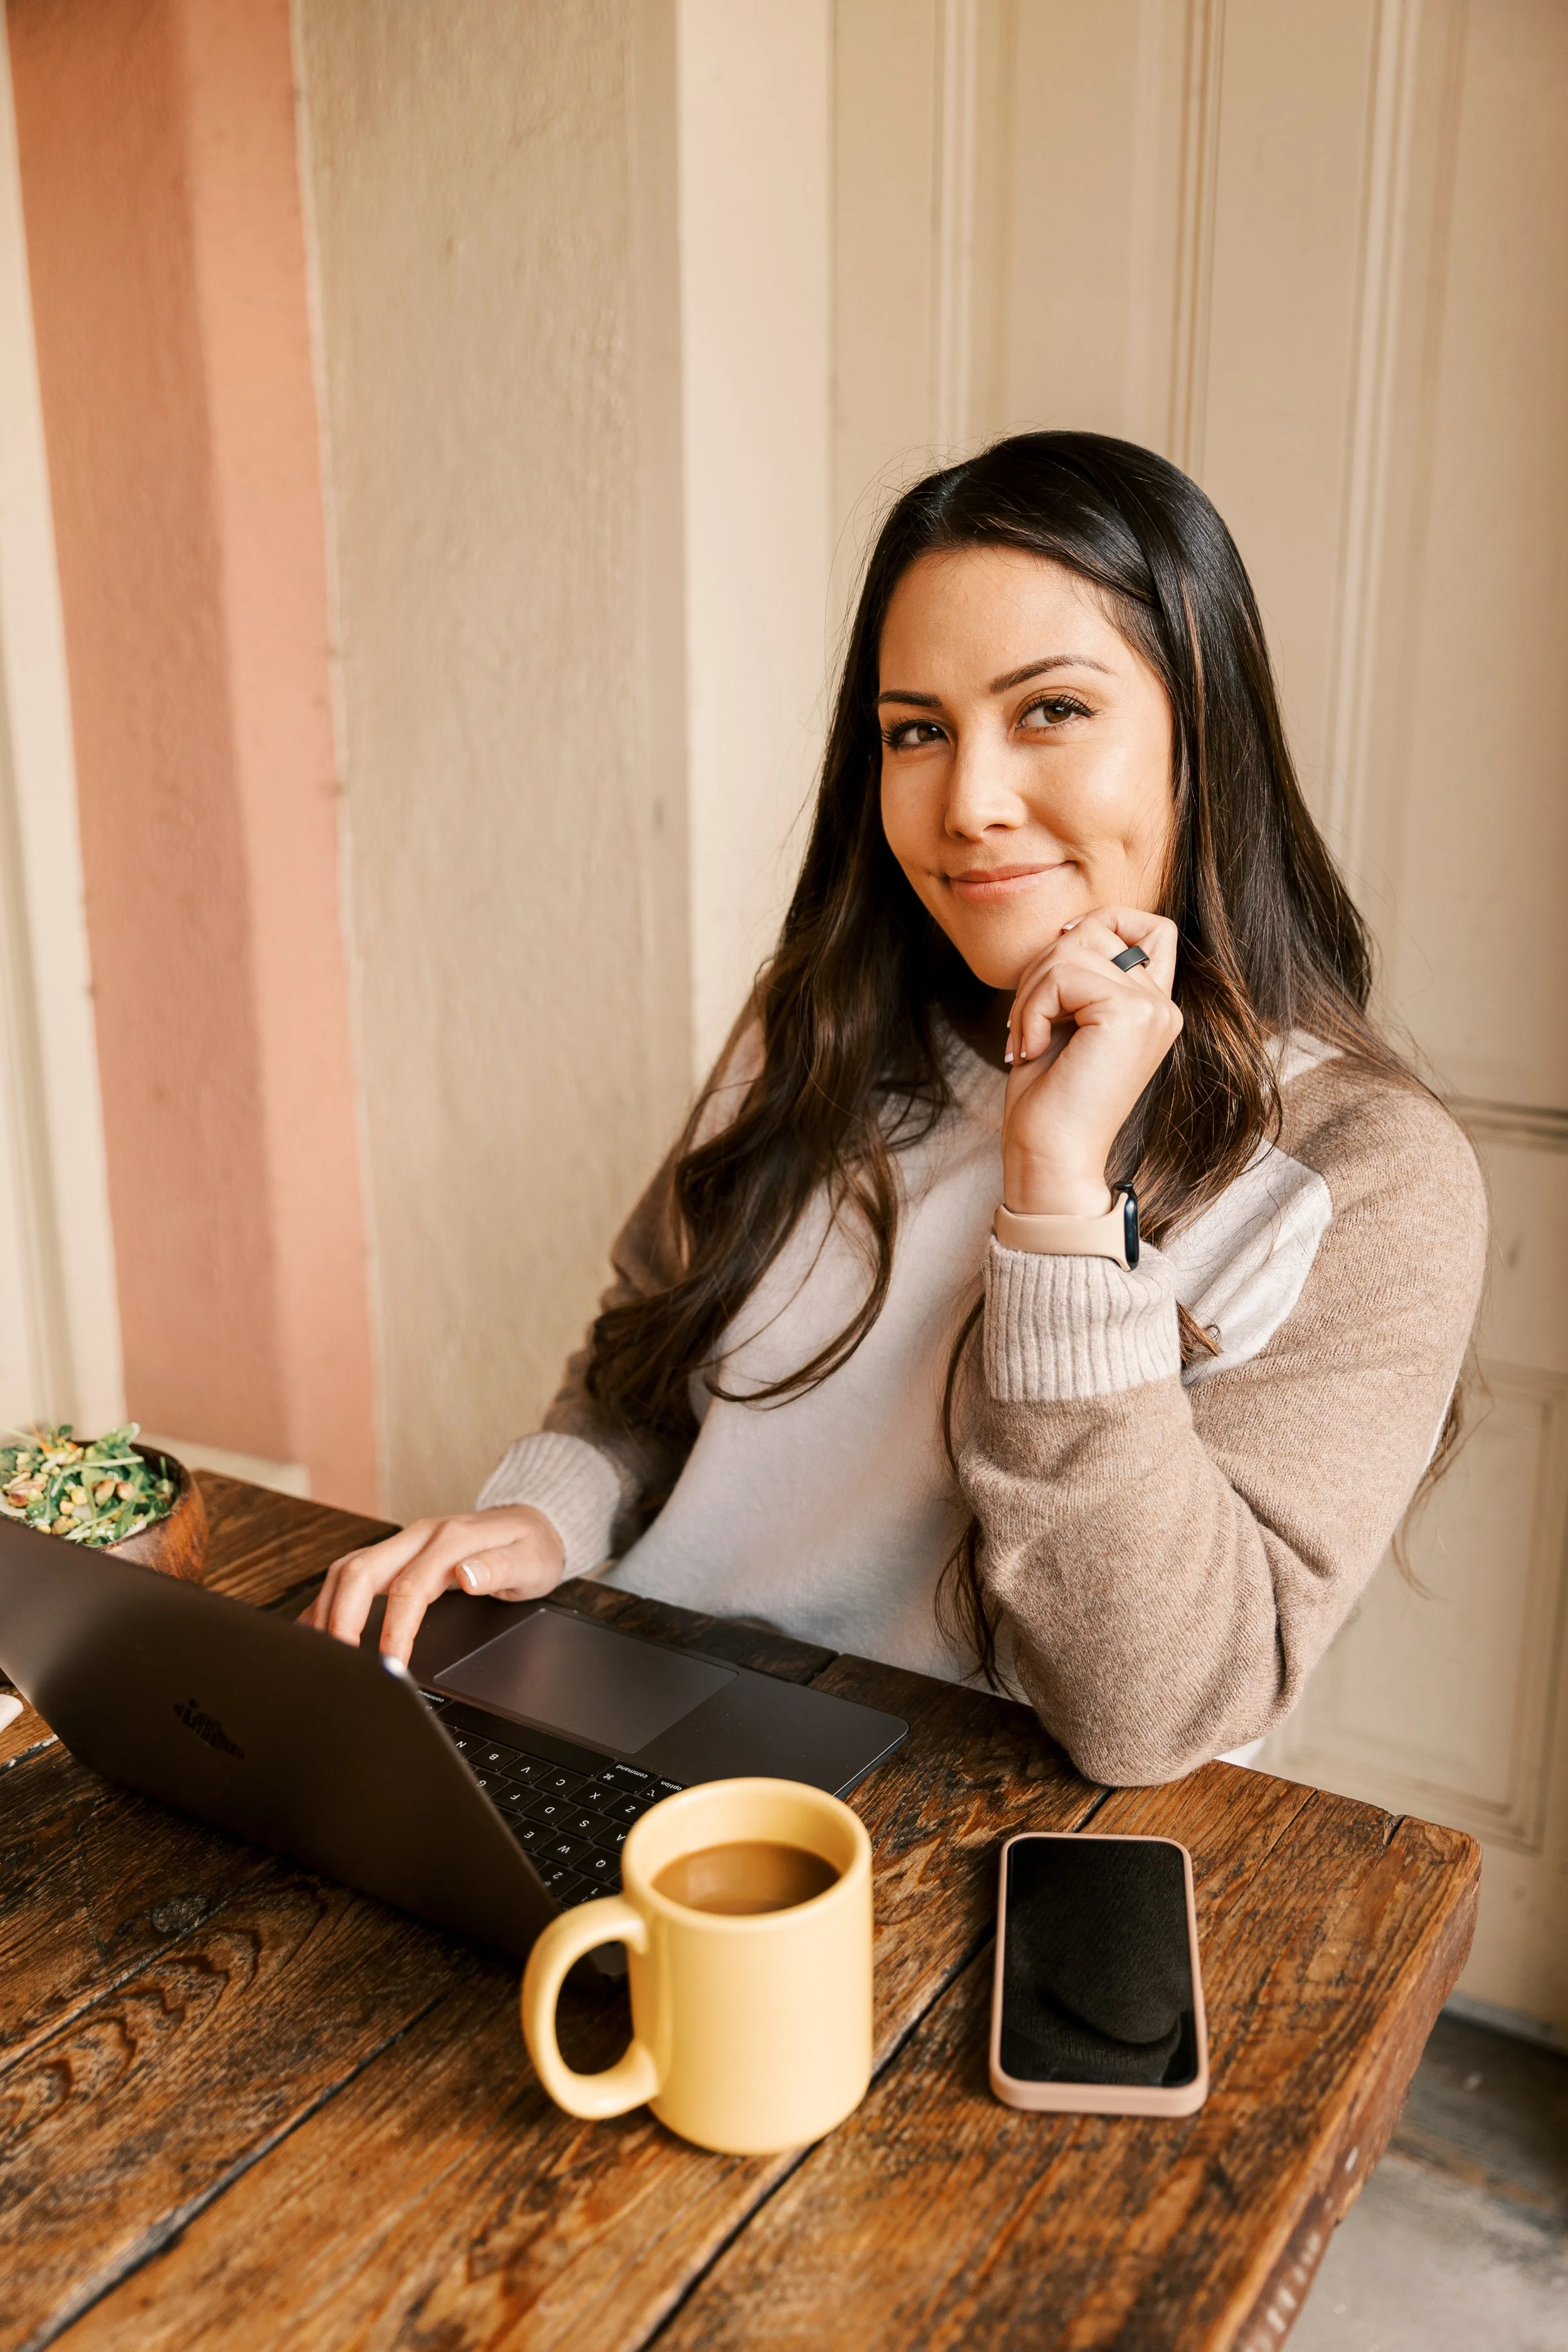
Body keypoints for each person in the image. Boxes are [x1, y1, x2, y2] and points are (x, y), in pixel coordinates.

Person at [307, 432, 1487, 1786]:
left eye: (1050, 710)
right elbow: (640, 1378)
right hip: (632, 1717)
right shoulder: (817, 1024)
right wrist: (540, 1513)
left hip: (951, 1829)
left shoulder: (1365, 1175)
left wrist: (1055, 1199)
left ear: (1198, 734)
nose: (969, 804)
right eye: (915, 731)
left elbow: (1155, 1711)